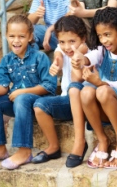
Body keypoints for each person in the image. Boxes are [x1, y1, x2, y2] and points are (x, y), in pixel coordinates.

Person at [0, 15, 57, 170]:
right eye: (12, 36)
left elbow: (49, 86)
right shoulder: (7, 60)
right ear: (6, 36)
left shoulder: (39, 57)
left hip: (39, 105)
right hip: (18, 106)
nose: (16, 40)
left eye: (21, 36)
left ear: (30, 37)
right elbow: (4, 86)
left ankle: (24, 150)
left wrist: (23, 91)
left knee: (20, 98)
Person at [71, 7, 117, 169]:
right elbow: (91, 57)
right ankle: (102, 139)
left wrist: (101, 83)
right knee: (85, 91)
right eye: (100, 36)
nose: (104, 40)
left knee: (102, 90)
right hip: (104, 110)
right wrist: (82, 60)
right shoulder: (102, 50)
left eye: (107, 35)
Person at [31, 15, 88, 167]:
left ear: (83, 38)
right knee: (39, 105)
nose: (67, 46)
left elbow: (80, 54)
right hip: (68, 102)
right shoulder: (62, 49)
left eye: (71, 41)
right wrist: (57, 62)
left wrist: (77, 57)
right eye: (62, 41)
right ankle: (53, 147)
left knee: (74, 87)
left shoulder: (85, 48)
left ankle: (80, 141)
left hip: (87, 103)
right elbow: (58, 54)